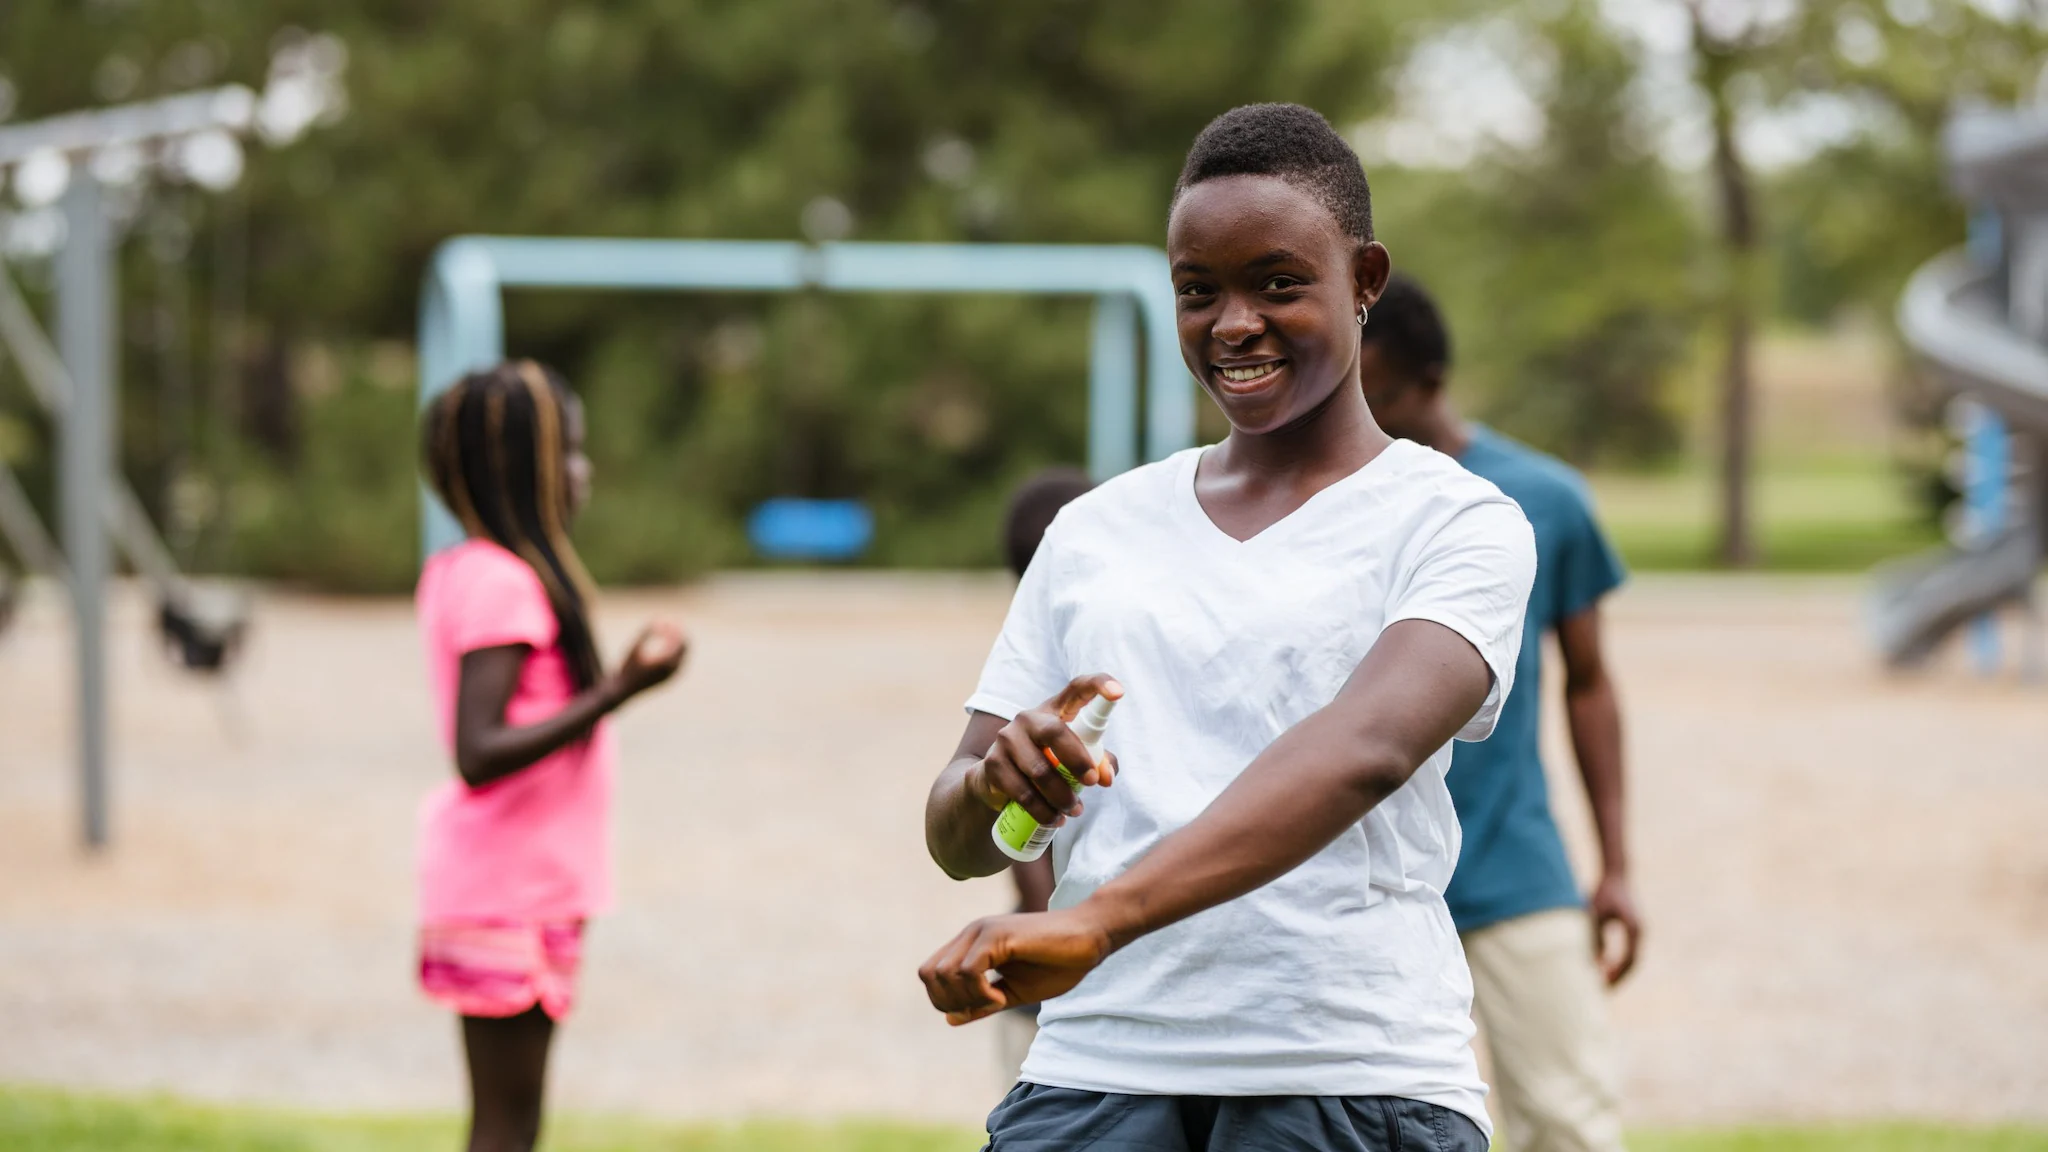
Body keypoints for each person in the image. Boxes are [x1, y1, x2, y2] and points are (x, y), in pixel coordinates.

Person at [918, 103, 1537, 1152]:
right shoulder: (1093, 532)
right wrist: (999, 789)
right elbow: (957, 837)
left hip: (1347, 1079)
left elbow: (1364, 751)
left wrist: (1097, 920)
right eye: (1196, 292)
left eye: (1278, 284)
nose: (1232, 324)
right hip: (1091, 1076)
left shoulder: (1455, 521)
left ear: (1365, 280)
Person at [1358, 275, 1638, 1152]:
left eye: (1378, 397)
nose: (1356, 419)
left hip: (1514, 866)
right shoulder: (1329, 502)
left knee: (1570, 1124)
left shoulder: (1542, 499)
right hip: (1361, 876)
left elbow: (1588, 682)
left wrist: (1618, 865)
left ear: (1431, 381)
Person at [415, 361, 687, 1152]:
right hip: (508, 889)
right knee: (506, 1126)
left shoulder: (472, 571)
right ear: (519, 468)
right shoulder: (501, 583)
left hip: (524, 886)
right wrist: (619, 689)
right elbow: (478, 749)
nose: (583, 469)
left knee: (512, 1121)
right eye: (568, 451)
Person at [993, 465, 1096, 1083]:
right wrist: (1052, 934)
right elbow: (1025, 808)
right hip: (1061, 964)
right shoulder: (1053, 666)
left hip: (1058, 951)